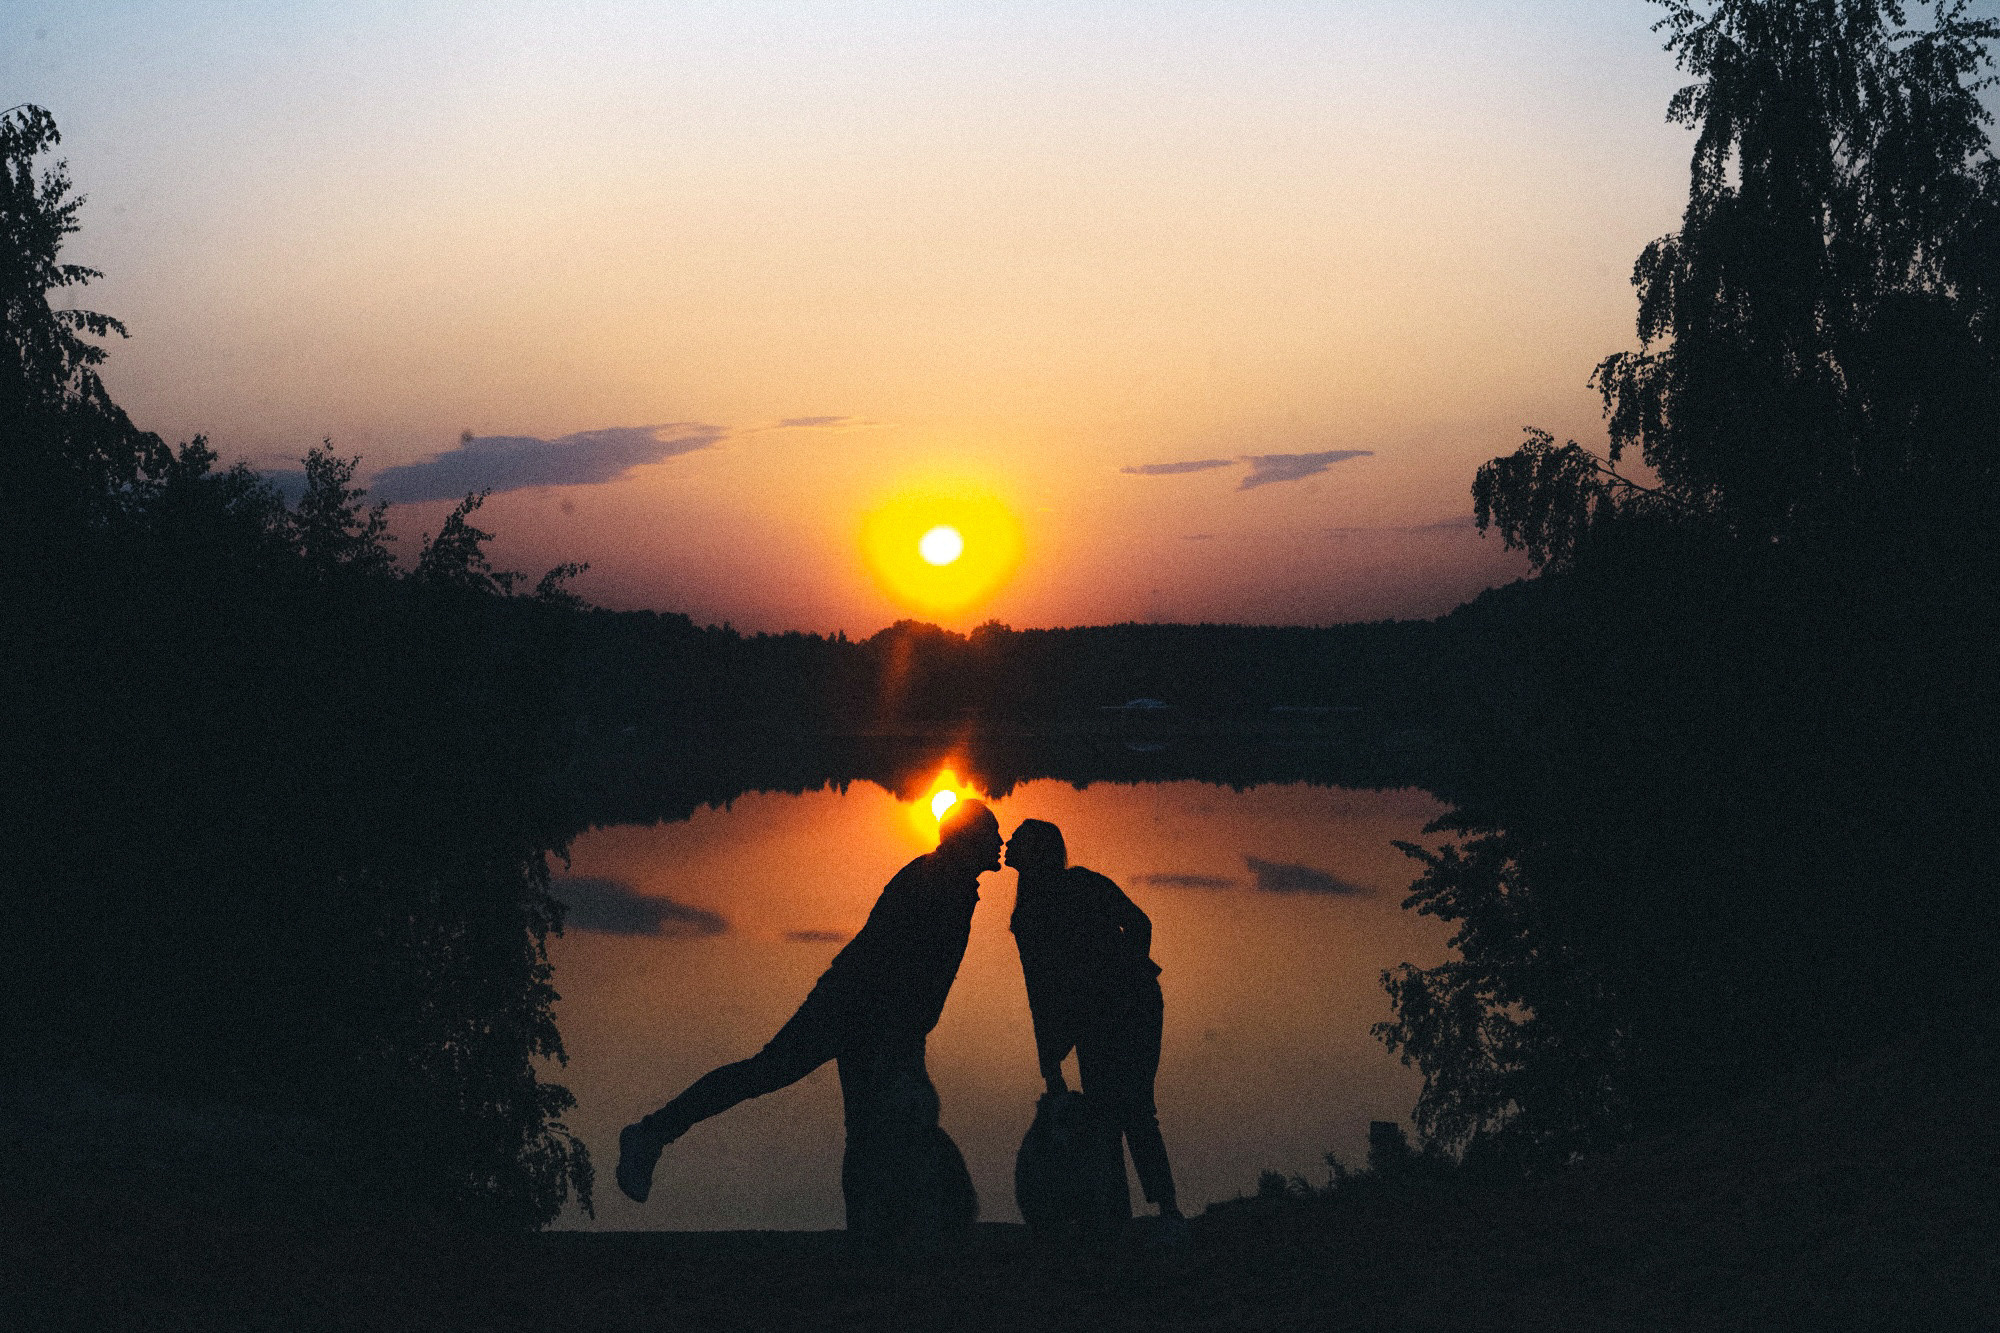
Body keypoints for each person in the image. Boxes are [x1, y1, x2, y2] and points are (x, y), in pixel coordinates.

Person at [615, 798, 1003, 1212]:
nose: (999, 842)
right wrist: (901, 1035)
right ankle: (652, 1133)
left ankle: (867, 1232)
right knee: (772, 1075)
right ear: (968, 840)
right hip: (855, 1010)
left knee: (855, 1127)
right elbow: (900, 964)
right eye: (991, 833)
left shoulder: (948, 882)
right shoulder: (938, 882)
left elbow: (920, 973)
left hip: (868, 1014)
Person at [1006, 818, 1183, 1225]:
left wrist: (1121, 978)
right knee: (1109, 1114)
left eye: (1018, 838)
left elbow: (1138, 925)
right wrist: (1050, 1062)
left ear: (1037, 850)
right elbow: (1040, 993)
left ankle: (1162, 1212)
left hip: (1130, 1006)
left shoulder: (1078, 886)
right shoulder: (1030, 915)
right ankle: (1131, 1215)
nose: (1008, 842)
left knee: (1132, 1108)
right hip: (1098, 1013)